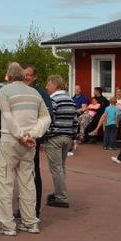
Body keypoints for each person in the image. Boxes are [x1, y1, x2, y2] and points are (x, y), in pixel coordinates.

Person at [0, 63, 50, 236]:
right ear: (23, 77)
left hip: (10, 141)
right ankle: (31, 222)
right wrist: (32, 134)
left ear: (9, 77)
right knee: (27, 182)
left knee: (5, 182)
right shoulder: (34, 93)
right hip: (29, 144)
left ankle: (7, 225)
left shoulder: (5, 91)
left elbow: (7, 115)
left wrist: (20, 135)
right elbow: (46, 118)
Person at [22, 64, 52, 220]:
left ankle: (34, 210)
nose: (26, 77)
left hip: (32, 140)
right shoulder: (19, 91)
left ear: (35, 77)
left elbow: (47, 117)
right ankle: (24, 208)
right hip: (18, 139)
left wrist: (35, 135)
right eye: (24, 74)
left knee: (33, 174)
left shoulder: (40, 93)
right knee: (21, 176)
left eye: (29, 75)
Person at [44, 75, 77, 208]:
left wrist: (46, 134)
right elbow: (75, 120)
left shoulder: (53, 100)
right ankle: (59, 193)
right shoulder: (70, 100)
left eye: (48, 84)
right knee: (61, 167)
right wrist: (73, 136)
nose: (46, 87)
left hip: (55, 137)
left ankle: (61, 197)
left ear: (55, 85)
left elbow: (48, 120)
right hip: (67, 137)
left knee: (56, 168)